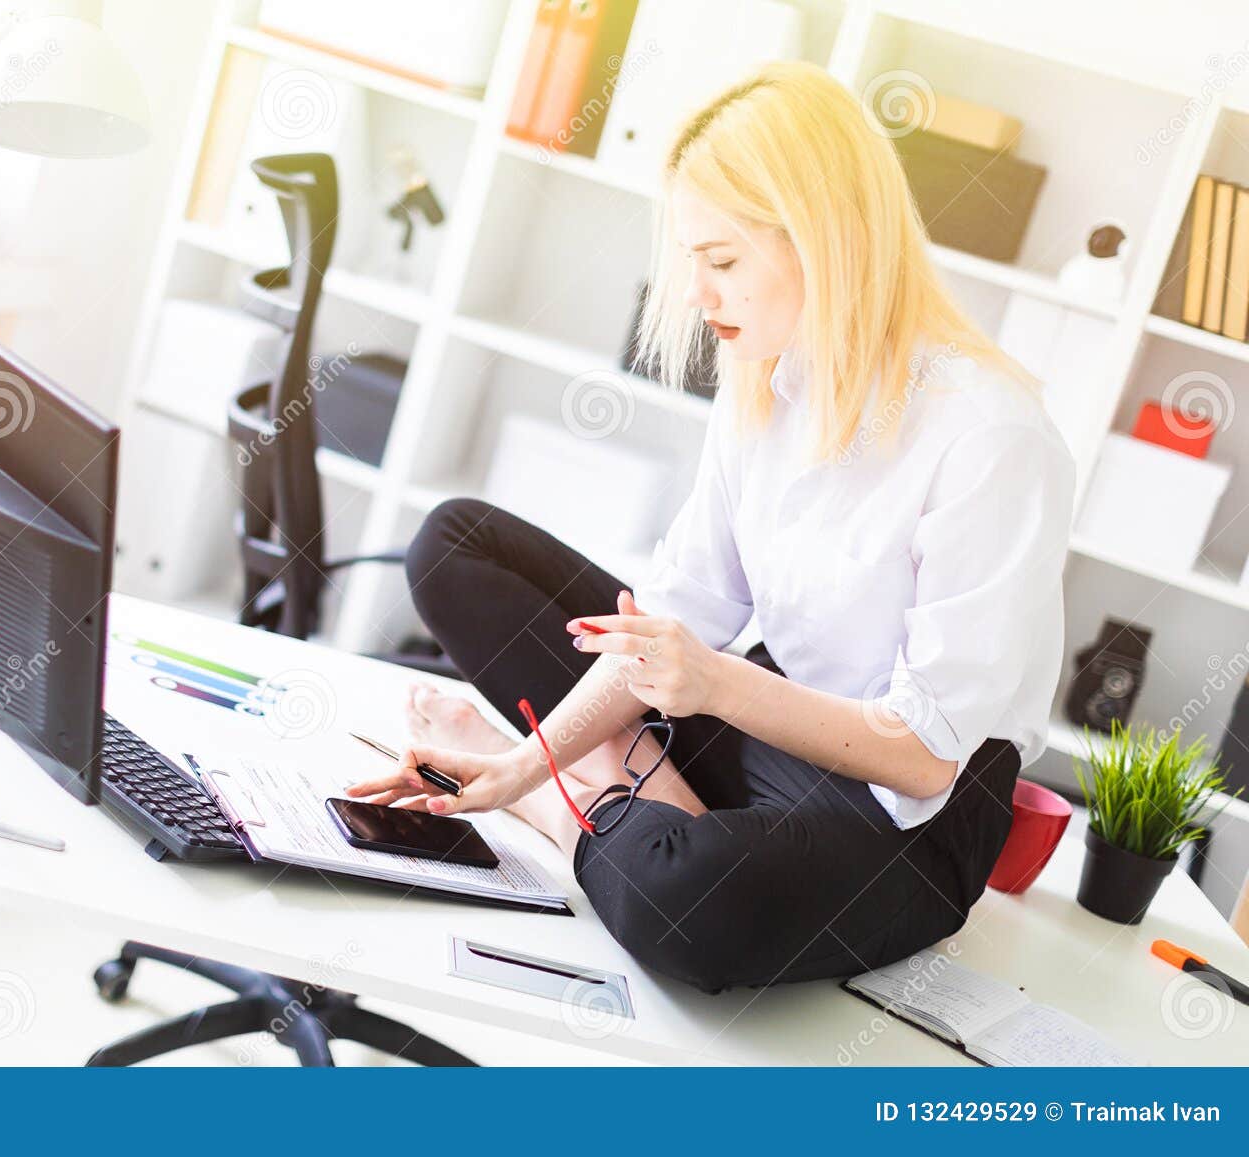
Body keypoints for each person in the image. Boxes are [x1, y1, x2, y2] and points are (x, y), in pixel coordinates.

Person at [345, 60, 1074, 994]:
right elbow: (678, 613)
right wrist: (518, 762)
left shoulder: (993, 436)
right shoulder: (768, 377)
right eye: (691, 261)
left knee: (687, 898)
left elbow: (926, 757)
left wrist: (674, 705)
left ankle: (579, 810)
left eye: (722, 262)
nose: (694, 295)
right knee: (454, 544)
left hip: (901, 810)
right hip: (758, 717)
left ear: (828, 241)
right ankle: (624, 787)